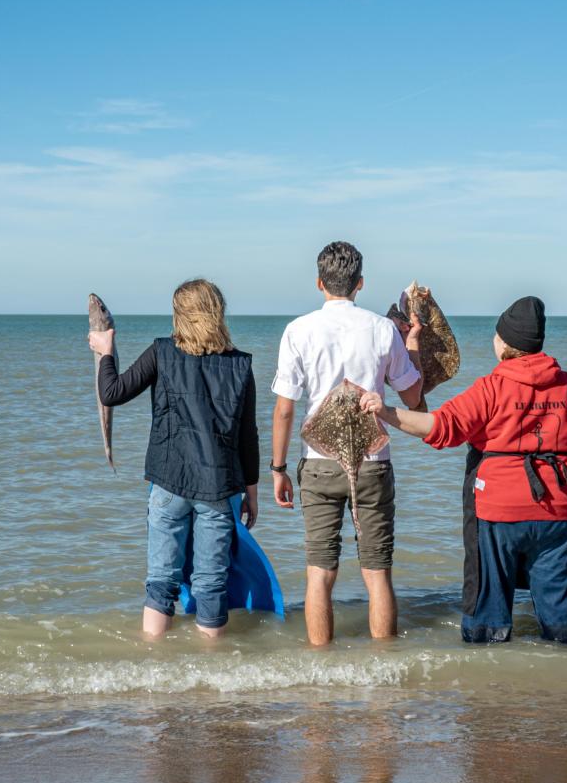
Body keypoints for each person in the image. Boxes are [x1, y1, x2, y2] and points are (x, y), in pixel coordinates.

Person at [360, 296, 567, 645]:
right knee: (562, 615)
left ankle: (487, 667)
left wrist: (385, 412)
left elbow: (439, 428)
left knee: (487, 607)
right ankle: (566, 668)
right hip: (559, 511)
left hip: (497, 513)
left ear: (505, 344)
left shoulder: (491, 388)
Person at [271, 241, 424, 646]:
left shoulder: (298, 330)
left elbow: (284, 410)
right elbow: (413, 397)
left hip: (318, 462)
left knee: (320, 572)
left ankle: (321, 670)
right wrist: (412, 343)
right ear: (360, 283)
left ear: (319, 283)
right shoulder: (382, 329)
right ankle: (384, 670)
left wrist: (278, 468)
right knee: (377, 572)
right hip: (372, 461)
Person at [88, 279, 259, 638]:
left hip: (169, 484)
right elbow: (247, 436)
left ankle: (156, 660)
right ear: (217, 312)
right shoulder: (241, 365)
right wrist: (252, 493)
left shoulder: (162, 352)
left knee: (161, 583)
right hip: (219, 488)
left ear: (179, 315)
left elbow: (112, 392)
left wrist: (106, 351)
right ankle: (212, 671)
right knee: (211, 585)